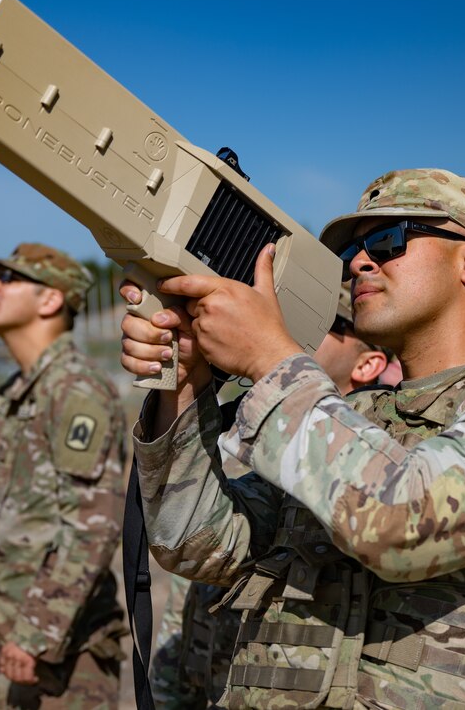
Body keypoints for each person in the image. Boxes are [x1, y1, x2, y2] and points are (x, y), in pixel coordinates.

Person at [120, 169, 465, 708]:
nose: (362, 262)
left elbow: (401, 525)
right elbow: (201, 544)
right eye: (356, 251)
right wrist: (185, 388)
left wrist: (270, 359)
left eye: (390, 240)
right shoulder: (348, 419)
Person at [149, 286, 392, 708]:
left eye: (329, 323)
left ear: (369, 363)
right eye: (295, 313)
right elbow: (190, 578)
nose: (290, 329)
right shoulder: (254, 437)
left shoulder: (374, 465)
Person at [0, 243, 127, 709]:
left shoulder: (76, 390)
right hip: (21, 638)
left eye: (9, 279)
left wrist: (35, 635)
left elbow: (93, 528)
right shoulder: (17, 390)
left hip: (65, 651)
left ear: (51, 300)